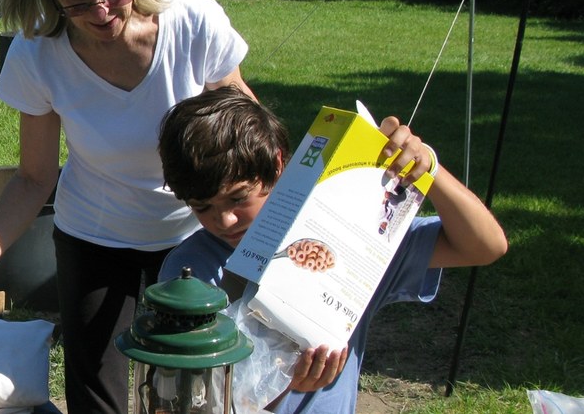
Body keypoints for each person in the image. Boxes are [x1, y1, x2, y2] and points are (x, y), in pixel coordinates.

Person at [0, 0, 254, 414]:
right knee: (95, 399)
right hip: (93, 236)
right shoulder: (38, 51)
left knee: (188, 396)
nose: (103, 14)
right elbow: (34, 178)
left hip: (192, 237)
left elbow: (251, 138)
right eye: (78, 2)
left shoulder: (193, 22)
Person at [156, 86, 508, 414]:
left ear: (278, 164)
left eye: (239, 197)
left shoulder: (343, 239)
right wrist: (279, 385)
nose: (226, 220)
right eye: (202, 207)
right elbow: (191, 399)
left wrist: (427, 168)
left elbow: (485, 246)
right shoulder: (190, 273)